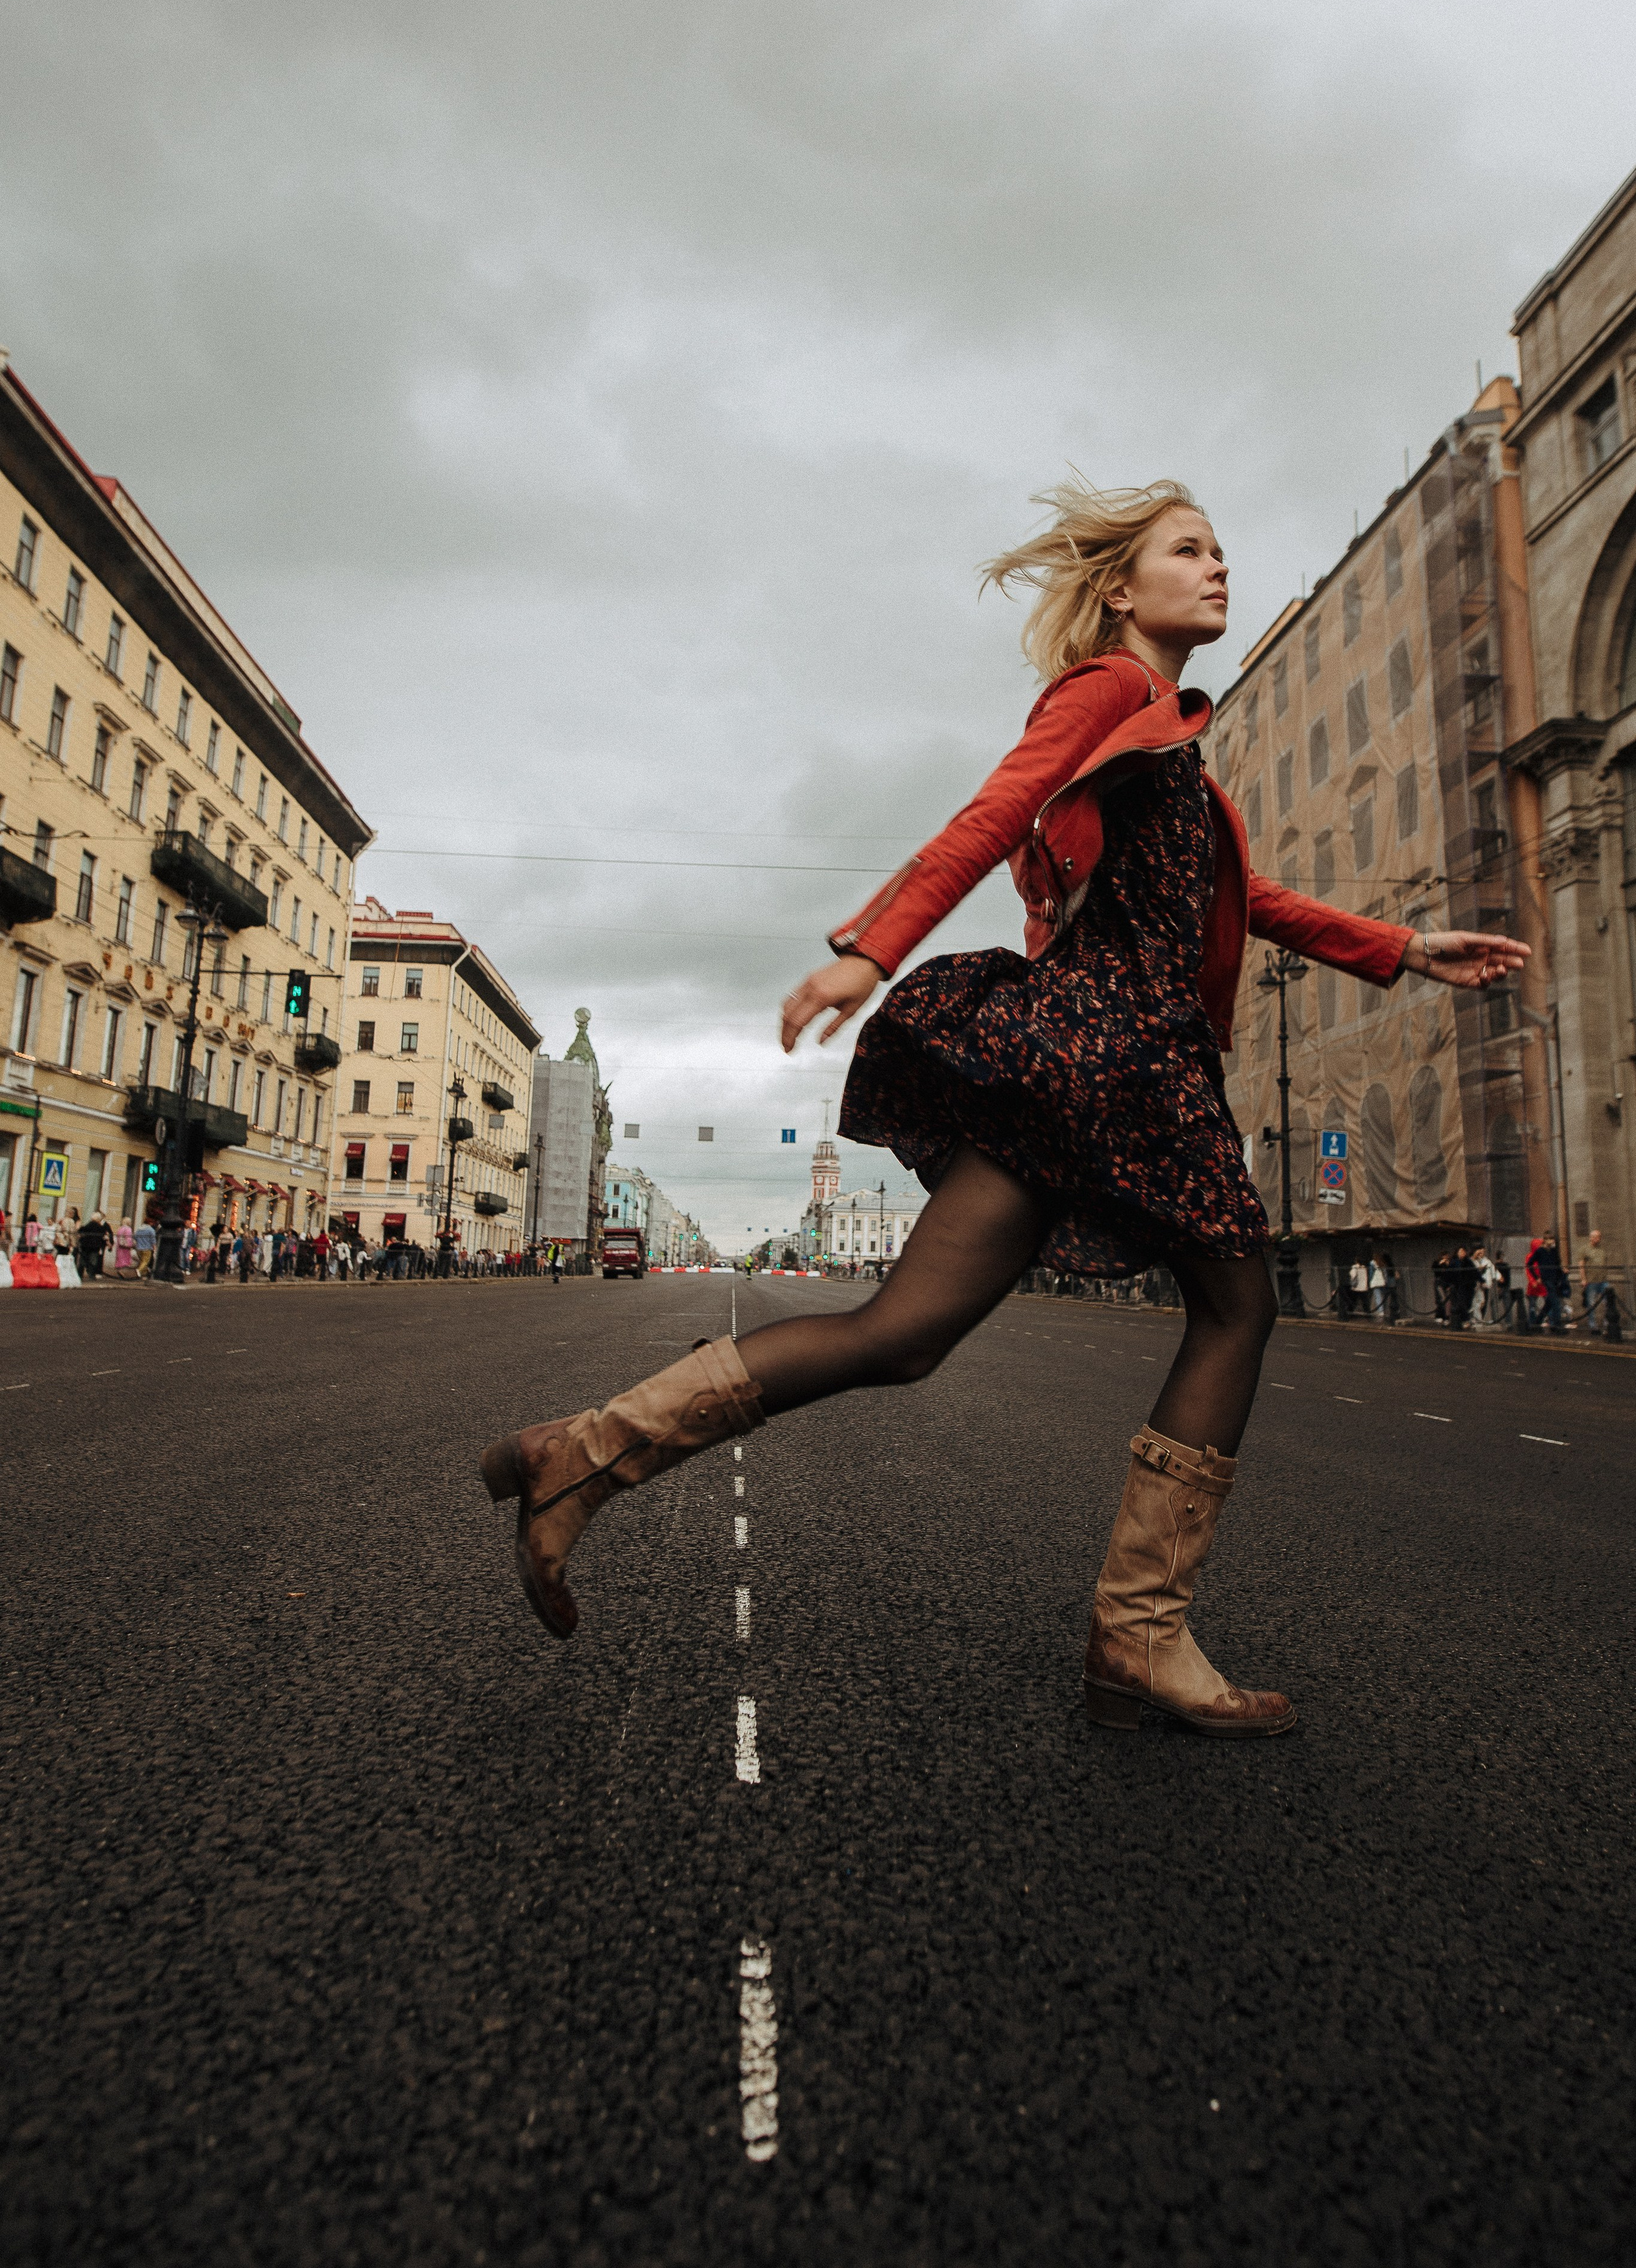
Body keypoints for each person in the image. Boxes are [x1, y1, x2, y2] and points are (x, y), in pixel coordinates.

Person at [477, 479, 1529, 1738]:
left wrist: (1398, 945)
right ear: (1119, 589)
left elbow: (1243, 904)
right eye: (1186, 552)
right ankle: (1137, 1634)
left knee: (900, 1333)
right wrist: (870, 949)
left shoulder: (1170, 745)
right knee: (1234, 1303)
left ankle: (585, 1451)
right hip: (1116, 1054)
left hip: (1081, 1060)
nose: (1217, 569)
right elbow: (989, 812)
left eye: (1220, 550)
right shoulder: (1106, 693)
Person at [1580, 1228, 1608, 1334]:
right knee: (1591, 1304)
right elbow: (1581, 1265)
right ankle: (1593, 1325)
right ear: (1591, 1238)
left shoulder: (1602, 1250)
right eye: (1596, 1237)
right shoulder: (1585, 1249)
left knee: (1607, 1302)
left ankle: (1607, 1324)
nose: (1598, 1239)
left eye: (1599, 1237)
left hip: (1603, 1280)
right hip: (1591, 1281)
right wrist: (1583, 1279)